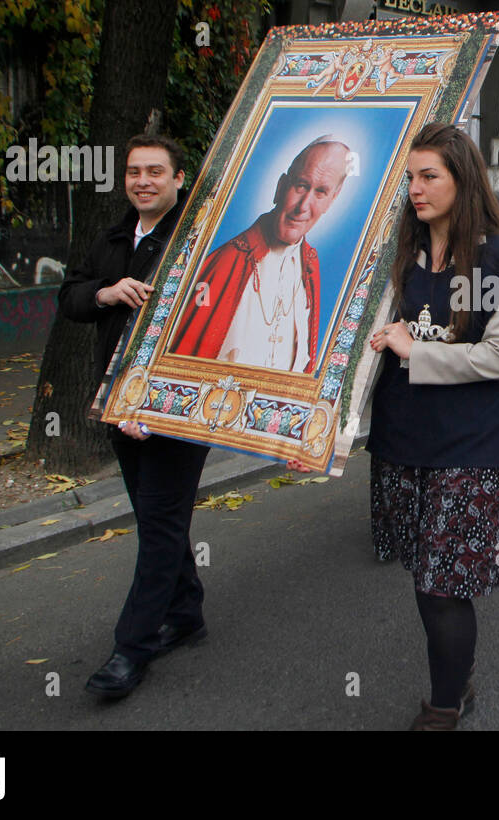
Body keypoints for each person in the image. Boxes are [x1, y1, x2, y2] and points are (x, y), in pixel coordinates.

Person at [365, 122, 499, 730]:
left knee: (443, 582)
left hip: (472, 439)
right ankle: (455, 676)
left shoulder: (498, 259)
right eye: (410, 177)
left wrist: (415, 351)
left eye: (428, 175)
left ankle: (445, 702)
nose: (415, 188)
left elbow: (498, 358)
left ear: (463, 180)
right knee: (424, 571)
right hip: (405, 434)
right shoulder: (402, 256)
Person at [58, 135, 212, 698]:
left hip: (172, 411)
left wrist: (154, 404)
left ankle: (132, 648)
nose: (142, 181)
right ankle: (187, 611)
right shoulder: (116, 235)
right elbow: (70, 296)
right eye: (133, 172)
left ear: (178, 179)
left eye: (155, 171)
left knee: (160, 523)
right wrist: (106, 291)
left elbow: (207, 331)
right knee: (159, 521)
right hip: (115, 403)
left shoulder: (198, 240)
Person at [170, 136, 349, 371]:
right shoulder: (227, 260)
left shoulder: (310, 266)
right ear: (281, 186)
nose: (303, 206)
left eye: (321, 192)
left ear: (331, 201)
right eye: (302, 185)